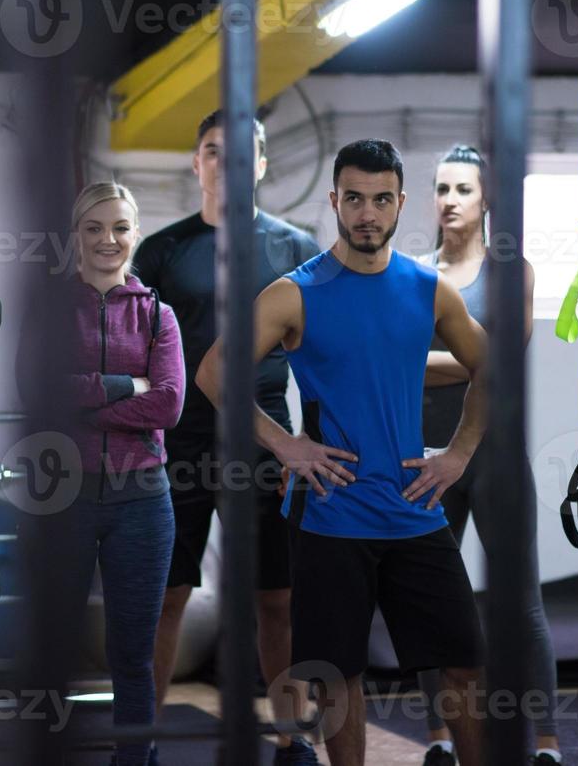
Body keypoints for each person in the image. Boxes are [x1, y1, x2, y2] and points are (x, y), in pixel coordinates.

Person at [196, 139, 489, 766]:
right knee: (337, 675)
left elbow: (490, 365)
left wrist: (459, 453)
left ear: (400, 205)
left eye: (381, 200)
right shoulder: (295, 293)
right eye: (353, 198)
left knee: (465, 666)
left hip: (415, 510)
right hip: (333, 516)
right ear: (334, 201)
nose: (367, 213)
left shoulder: (427, 288)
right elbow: (215, 373)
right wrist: (285, 445)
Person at [131, 111, 320, 765]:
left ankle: (294, 737)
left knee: (278, 599)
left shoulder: (297, 250)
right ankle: (141, 744)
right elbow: (136, 355)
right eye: (213, 151)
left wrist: (310, 446)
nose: (226, 165)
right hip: (179, 443)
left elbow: (318, 355)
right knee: (167, 596)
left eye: (241, 154)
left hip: (267, 440)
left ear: (262, 165)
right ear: (196, 162)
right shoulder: (160, 251)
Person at [414, 145, 556, 766]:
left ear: (486, 198)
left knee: (519, 603)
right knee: (430, 603)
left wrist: (436, 365)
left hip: (495, 456)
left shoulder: (512, 272)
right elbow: (405, 367)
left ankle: (546, 742)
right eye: (441, 188)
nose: (449, 200)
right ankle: (440, 737)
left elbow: (501, 361)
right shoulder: (411, 273)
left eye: (463, 189)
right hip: (426, 458)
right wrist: (470, 360)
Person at [58, 181, 186, 766]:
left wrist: (86, 398)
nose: (108, 240)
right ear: (76, 234)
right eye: (94, 227)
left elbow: (169, 405)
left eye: (120, 228)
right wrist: (123, 387)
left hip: (142, 501)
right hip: (65, 499)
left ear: (134, 233)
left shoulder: (160, 315)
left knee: (132, 655)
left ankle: (135, 759)